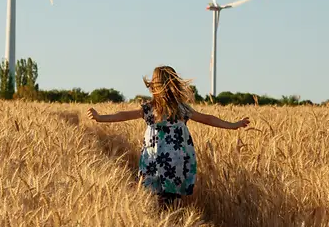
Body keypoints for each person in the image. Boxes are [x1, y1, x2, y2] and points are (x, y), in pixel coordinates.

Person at [87, 65, 248, 206]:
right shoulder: (182, 109)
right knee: (171, 198)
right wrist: (233, 125)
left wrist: (101, 118)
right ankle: (173, 222)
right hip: (176, 161)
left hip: (154, 160)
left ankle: (163, 225)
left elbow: (122, 115)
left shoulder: (149, 109)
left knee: (153, 198)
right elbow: (208, 119)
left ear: (154, 86)